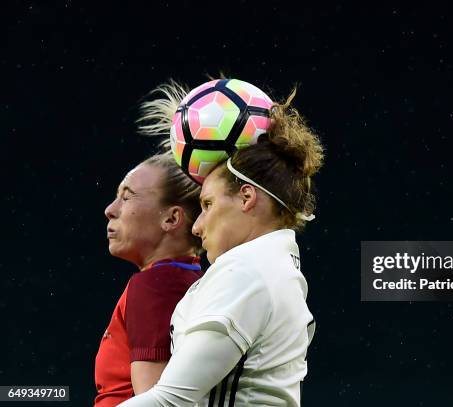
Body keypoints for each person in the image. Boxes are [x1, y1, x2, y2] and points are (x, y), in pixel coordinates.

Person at [118, 84, 324, 406]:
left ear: (246, 197)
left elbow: (170, 400)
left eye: (208, 204)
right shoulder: (277, 268)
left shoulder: (246, 274)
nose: (197, 226)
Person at [94, 153, 204, 406]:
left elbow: (155, 400)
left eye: (127, 196)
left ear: (171, 219)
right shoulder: (192, 279)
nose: (110, 210)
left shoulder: (156, 285)